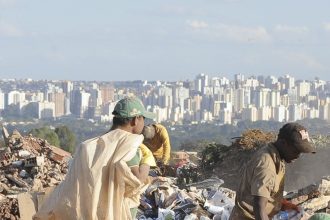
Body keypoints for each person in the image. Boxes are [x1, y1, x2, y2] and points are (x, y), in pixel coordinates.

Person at [34, 97, 156, 220]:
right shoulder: (128, 144)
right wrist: (146, 160)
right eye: (143, 119)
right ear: (136, 120)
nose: (144, 123)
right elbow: (138, 180)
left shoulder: (88, 146)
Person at [229, 122, 316, 220]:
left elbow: (267, 193)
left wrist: (282, 204)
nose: (298, 155)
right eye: (296, 150)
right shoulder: (266, 165)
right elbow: (259, 208)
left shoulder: (277, 156)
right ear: (284, 143)